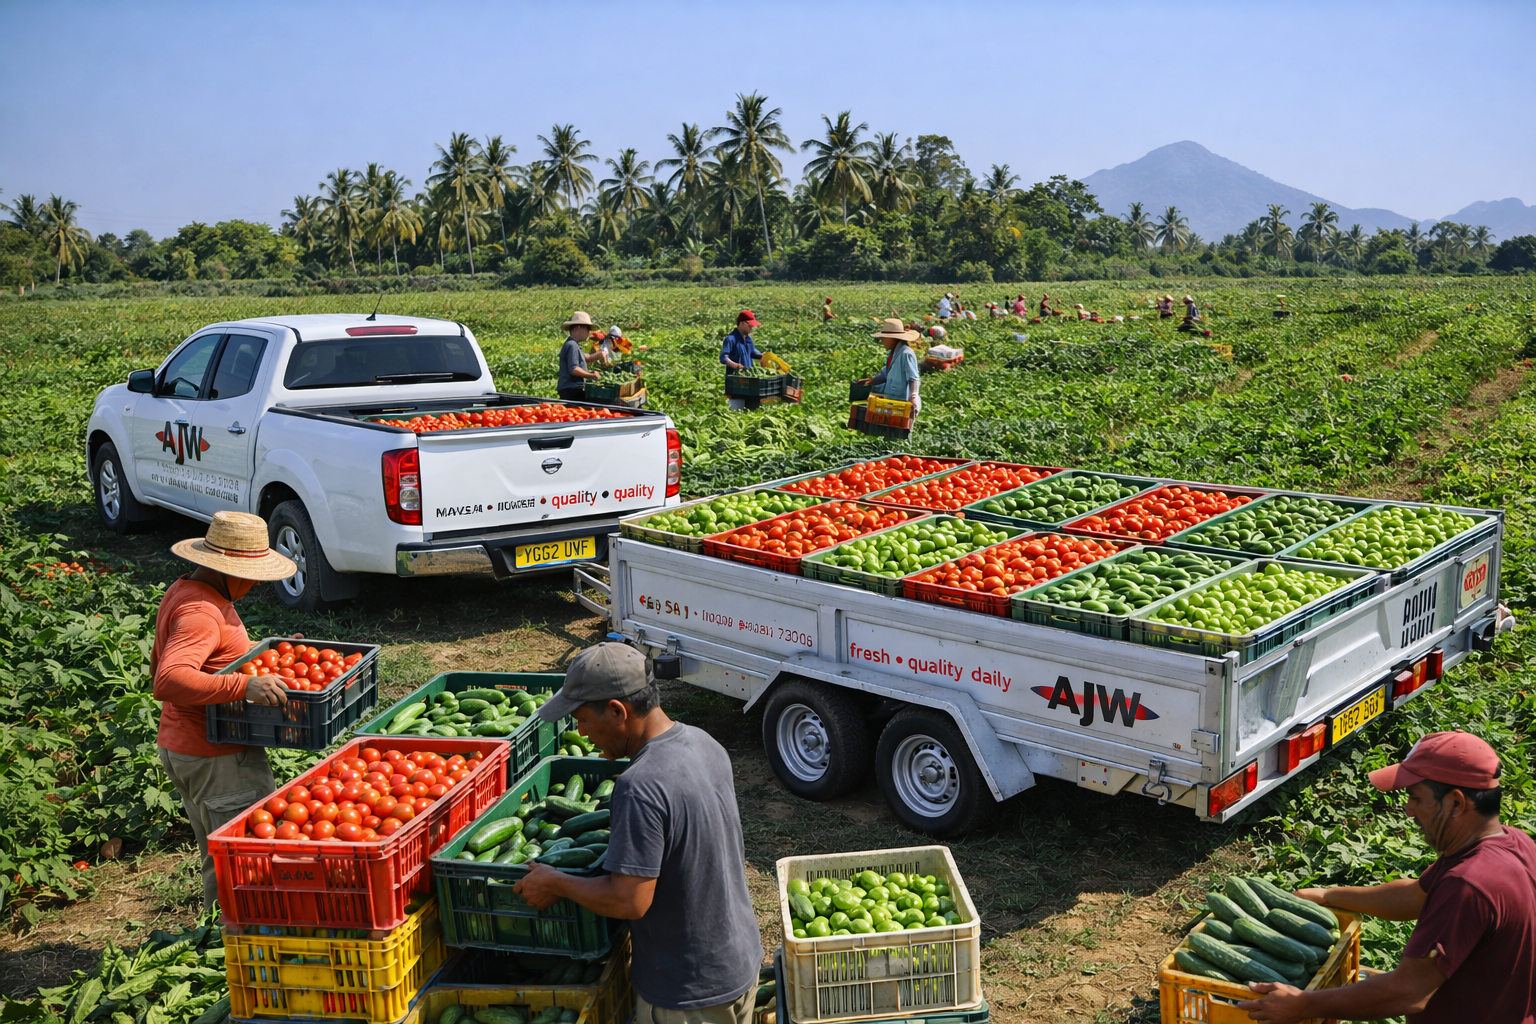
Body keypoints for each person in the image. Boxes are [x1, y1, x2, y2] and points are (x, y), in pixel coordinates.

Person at [513, 643, 763, 1024]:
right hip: (737, 960)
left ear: (617, 711)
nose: (580, 731)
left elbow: (629, 901)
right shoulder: (703, 741)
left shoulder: (639, 785)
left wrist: (555, 882)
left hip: (688, 993)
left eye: (581, 719)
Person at [1239, 731, 1536, 1024]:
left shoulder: (1467, 885)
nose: (1408, 810)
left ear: (1456, 803)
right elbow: (1413, 897)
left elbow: (1407, 993)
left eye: (1416, 798)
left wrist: (1303, 1005)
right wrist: (1328, 895)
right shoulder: (1514, 843)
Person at [154, 511, 297, 910]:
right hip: (217, 758)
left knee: (220, 860)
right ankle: (239, 945)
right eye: (252, 576)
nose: (254, 585)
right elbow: (169, 679)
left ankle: (220, 939)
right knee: (245, 866)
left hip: (189, 745)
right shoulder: (201, 612)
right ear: (229, 568)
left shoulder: (190, 589)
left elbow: (213, 663)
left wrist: (268, 662)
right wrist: (244, 684)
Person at [871, 316, 921, 417]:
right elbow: (885, 374)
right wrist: (869, 382)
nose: (882, 340)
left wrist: (914, 396)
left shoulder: (906, 354)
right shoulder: (892, 353)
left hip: (902, 402)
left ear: (893, 338)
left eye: (884, 338)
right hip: (890, 399)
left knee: (899, 428)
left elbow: (913, 378)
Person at [720, 310, 764, 411]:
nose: (752, 328)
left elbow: (753, 353)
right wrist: (735, 365)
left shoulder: (748, 340)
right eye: (750, 326)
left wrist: (764, 356)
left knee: (753, 409)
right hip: (735, 382)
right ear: (742, 323)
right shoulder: (731, 339)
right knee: (737, 410)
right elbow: (723, 357)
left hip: (749, 380)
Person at [558, 311, 602, 401]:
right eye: (587, 329)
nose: (588, 332)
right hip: (571, 389)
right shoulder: (572, 345)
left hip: (570, 389)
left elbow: (588, 358)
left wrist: (600, 354)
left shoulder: (574, 345)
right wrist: (591, 375)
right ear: (579, 327)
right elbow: (574, 369)